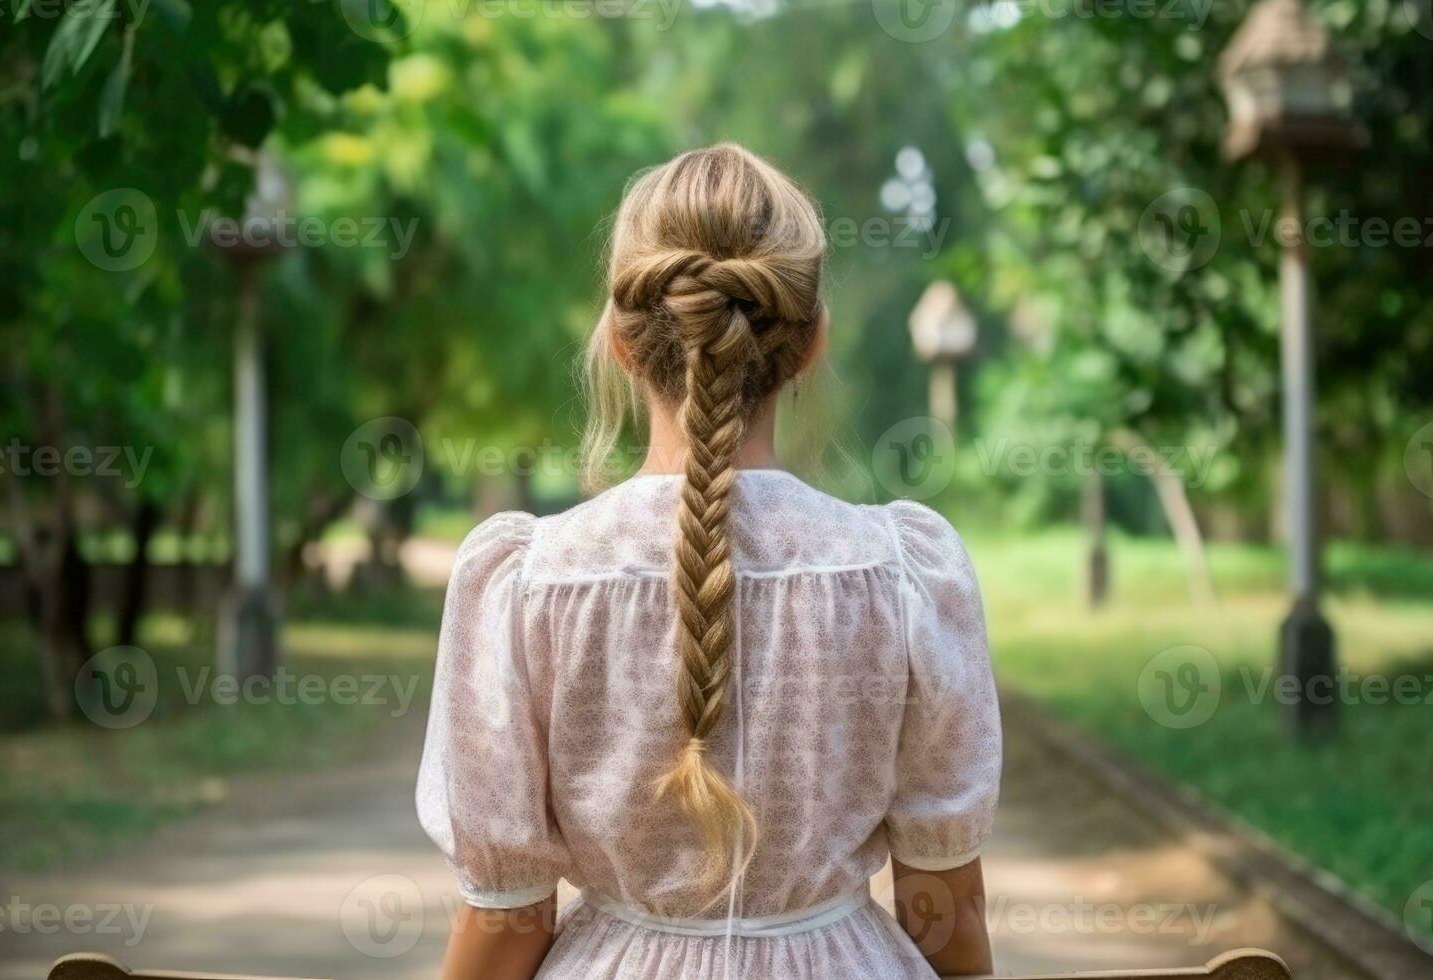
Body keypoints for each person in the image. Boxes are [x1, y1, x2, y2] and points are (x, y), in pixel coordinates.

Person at [417, 143, 1001, 980]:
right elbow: (943, 909)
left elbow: (506, 925)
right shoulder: (906, 574)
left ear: (621, 341)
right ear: (810, 345)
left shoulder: (528, 584)